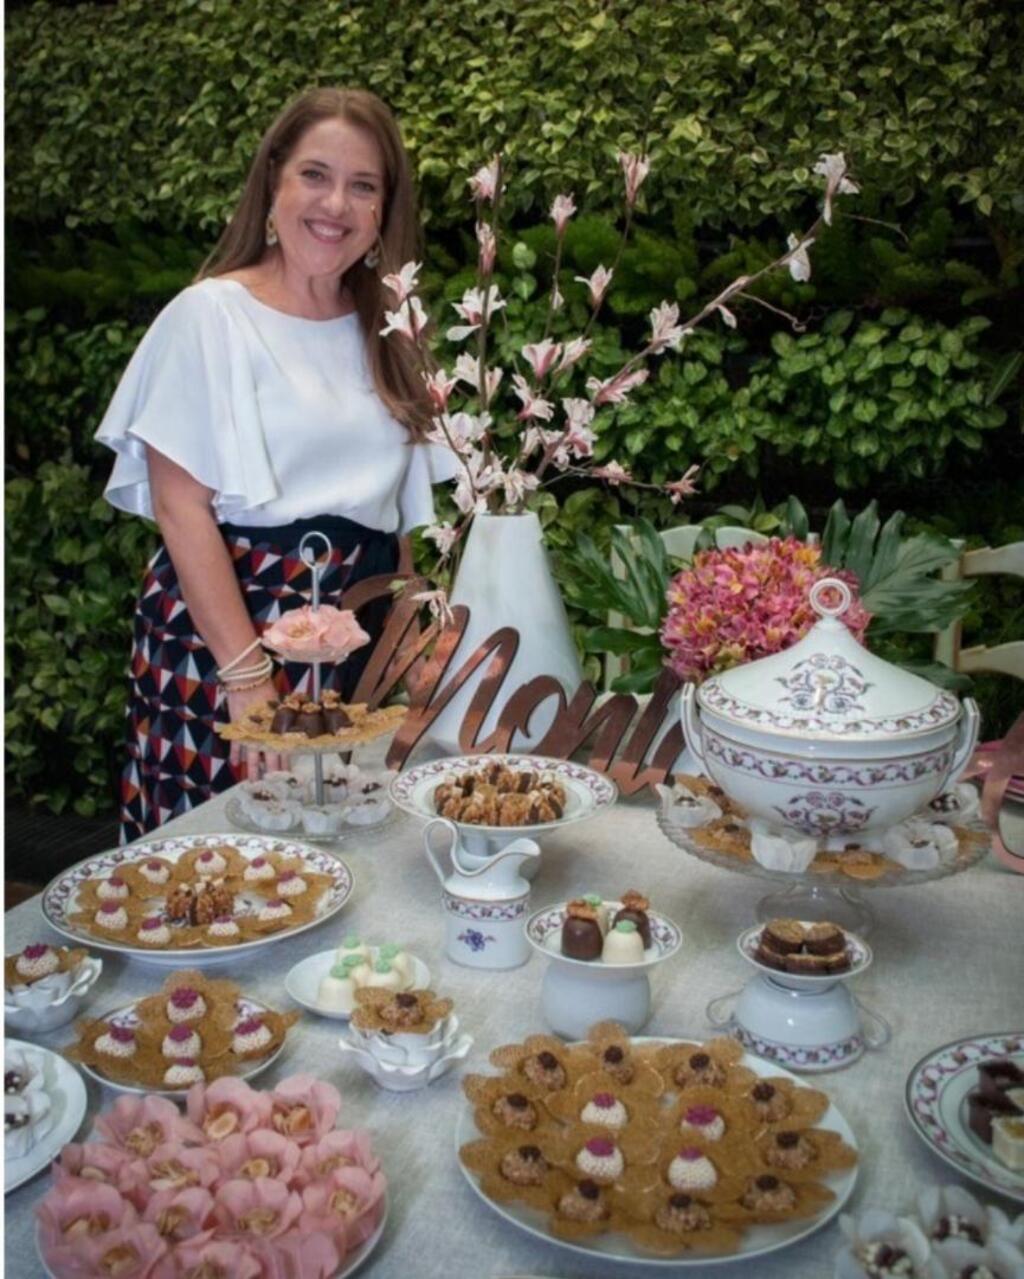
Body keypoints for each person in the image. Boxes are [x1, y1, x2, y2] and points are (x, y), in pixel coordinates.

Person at [96, 87, 454, 842]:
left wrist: (412, 646)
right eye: (315, 175)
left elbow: (396, 519)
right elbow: (180, 505)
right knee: (224, 875)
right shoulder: (209, 315)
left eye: (364, 186)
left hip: (363, 639)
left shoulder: (390, 328)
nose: (337, 204)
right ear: (274, 183)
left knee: (355, 861)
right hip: (232, 636)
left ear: (386, 211)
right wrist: (247, 676)